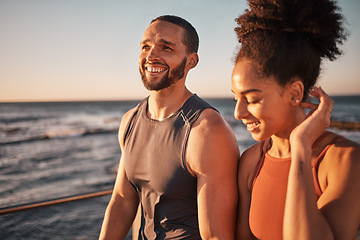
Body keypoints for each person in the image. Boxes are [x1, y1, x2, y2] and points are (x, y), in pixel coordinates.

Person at [99, 15, 239, 239]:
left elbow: (215, 235)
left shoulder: (206, 130)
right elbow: (122, 201)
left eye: (166, 48)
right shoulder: (130, 121)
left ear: (191, 61)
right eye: (146, 46)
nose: (151, 56)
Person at [231, 0, 360, 239]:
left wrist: (300, 146)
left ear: (295, 93)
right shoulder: (251, 161)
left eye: (252, 99)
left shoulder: (345, 160)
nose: (238, 112)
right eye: (236, 98)